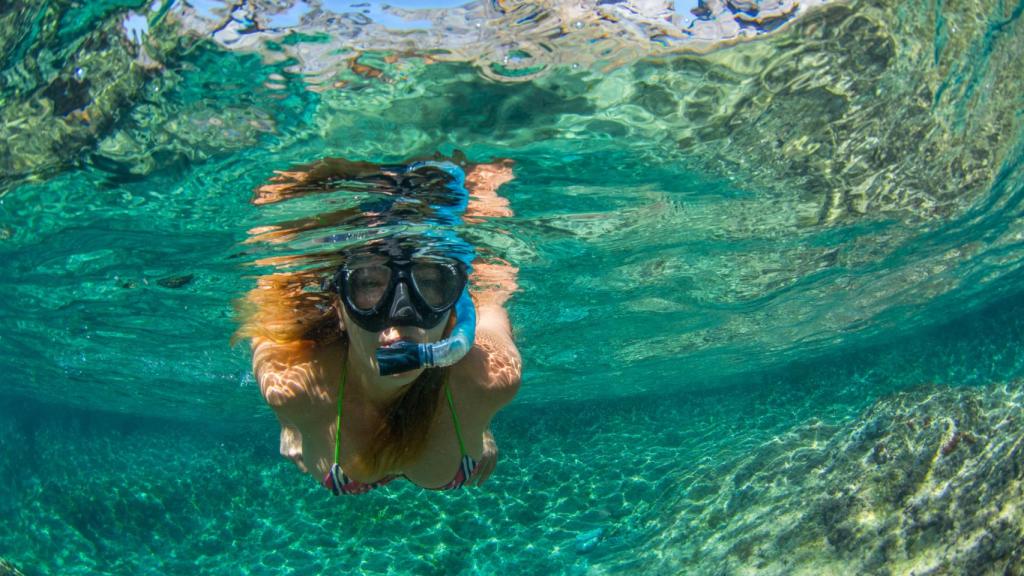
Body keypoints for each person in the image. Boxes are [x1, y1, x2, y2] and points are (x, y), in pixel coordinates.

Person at [235, 157, 521, 494]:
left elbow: (490, 307)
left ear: (452, 303)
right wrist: (290, 423)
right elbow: (269, 319)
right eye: (369, 285)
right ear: (339, 307)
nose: (400, 322)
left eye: (430, 284)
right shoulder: (293, 386)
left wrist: (479, 422)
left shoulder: (487, 380)